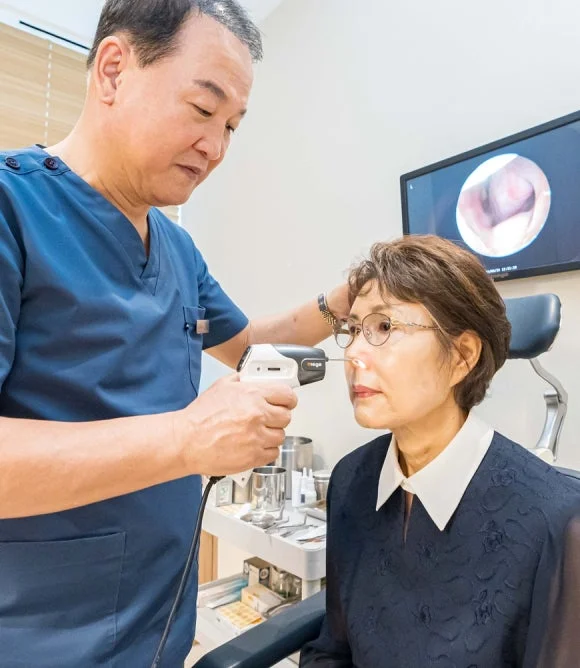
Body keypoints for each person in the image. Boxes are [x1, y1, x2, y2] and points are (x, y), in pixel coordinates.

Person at [0, 1, 349, 666]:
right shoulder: (12, 210)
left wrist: (346, 300)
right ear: (113, 70)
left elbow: (253, 346)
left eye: (231, 126)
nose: (216, 148)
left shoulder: (177, 250)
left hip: (160, 630)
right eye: (202, 109)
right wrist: (188, 439)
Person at [300, 235, 580, 667]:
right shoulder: (351, 479)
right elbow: (334, 649)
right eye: (353, 330)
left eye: (384, 327)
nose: (353, 353)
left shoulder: (555, 522)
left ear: (462, 356)